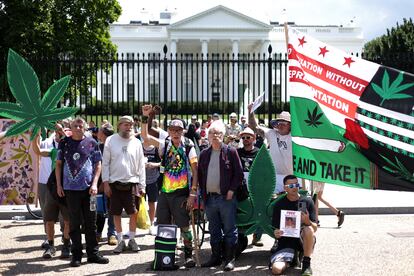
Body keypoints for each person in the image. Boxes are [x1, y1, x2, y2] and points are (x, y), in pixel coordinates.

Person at [141, 104, 199, 268]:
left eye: (178, 130)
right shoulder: (164, 144)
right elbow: (145, 136)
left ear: (183, 131)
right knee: (163, 226)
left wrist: (193, 194)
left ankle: (188, 256)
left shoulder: (188, 146)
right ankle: (164, 256)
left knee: (184, 226)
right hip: (165, 193)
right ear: (169, 130)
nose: (175, 132)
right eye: (172, 129)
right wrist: (146, 116)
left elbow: (195, 171)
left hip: (181, 193)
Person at [56, 117, 109, 267]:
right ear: (70, 128)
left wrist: (94, 184)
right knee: (74, 223)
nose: (78, 127)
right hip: (70, 190)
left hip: (89, 190)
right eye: (75, 125)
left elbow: (98, 165)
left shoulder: (92, 143)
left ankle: (93, 253)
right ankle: (76, 255)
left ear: (85, 127)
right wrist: (59, 185)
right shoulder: (64, 143)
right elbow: (59, 164)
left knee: (91, 222)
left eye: (81, 125)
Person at [198, 120, 243, 271]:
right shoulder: (204, 154)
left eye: (218, 133)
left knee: (230, 228)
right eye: (212, 133)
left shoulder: (231, 152)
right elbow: (199, 176)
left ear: (223, 135)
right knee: (214, 229)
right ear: (208, 136)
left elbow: (239, 174)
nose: (215, 135)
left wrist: (231, 190)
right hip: (210, 198)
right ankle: (215, 257)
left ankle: (230, 259)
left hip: (226, 198)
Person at [102, 116, 146, 254]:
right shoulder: (110, 140)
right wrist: (106, 183)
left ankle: (132, 239)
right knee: (115, 213)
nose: (129, 127)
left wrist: (142, 185)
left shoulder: (137, 142)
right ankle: (120, 241)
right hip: (114, 183)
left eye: (131, 125)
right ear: (119, 125)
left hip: (132, 182)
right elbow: (105, 163)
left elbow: (141, 165)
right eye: (126, 124)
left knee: (133, 212)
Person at [32, 127, 71, 259]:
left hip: (69, 189)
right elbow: (37, 150)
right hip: (53, 188)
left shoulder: (73, 149)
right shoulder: (54, 151)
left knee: (67, 220)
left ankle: (66, 245)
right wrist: (35, 136)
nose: (59, 136)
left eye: (62, 134)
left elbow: (70, 142)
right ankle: (51, 246)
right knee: (49, 220)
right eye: (58, 134)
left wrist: (62, 130)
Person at [271, 175, 317, 276]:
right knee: (276, 270)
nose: (295, 187)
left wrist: (307, 221)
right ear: (285, 188)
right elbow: (275, 229)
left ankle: (306, 264)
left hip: (302, 239)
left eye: (296, 184)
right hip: (286, 241)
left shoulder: (307, 201)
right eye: (291, 185)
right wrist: (276, 233)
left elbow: (315, 228)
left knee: (308, 229)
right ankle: (292, 258)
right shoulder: (279, 204)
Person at [248, 106, 293, 194]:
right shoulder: (271, 134)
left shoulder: (294, 136)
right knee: (275, 202)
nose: (280, 125)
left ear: (290, 125)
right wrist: (250, 111)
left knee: (291, 202)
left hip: (291, 177)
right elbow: (254, 127)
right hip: (274, 176)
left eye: (284, 123)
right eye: (279, 122)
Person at [236, 127, 263, 247]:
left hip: (256, 186)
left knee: (260, 210)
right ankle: (242, 235)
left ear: (254, 138)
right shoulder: (237, 152)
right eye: (243, 138)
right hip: (241, 188)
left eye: (248, 137)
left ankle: (257, 237)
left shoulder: (259, 152)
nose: (245, 139)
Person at [95, 123, 117, 246]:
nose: (97, 133)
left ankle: (112, 233)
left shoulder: (112, 147)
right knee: (99, 209)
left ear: (103, 134)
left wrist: (105, 182)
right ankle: (98, 233)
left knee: (112, 209)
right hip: (98, 183)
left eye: (99, 131)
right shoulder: (97, 146)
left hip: (110, 182)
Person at [142, 137, 161, 235]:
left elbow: (163, 164)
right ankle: (137, 224)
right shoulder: (139, 146)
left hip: (153, 179)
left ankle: (151, 223)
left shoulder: (157, 149)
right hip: (140, 180)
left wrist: (154, 165)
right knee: (138, 203)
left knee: (152, 202)